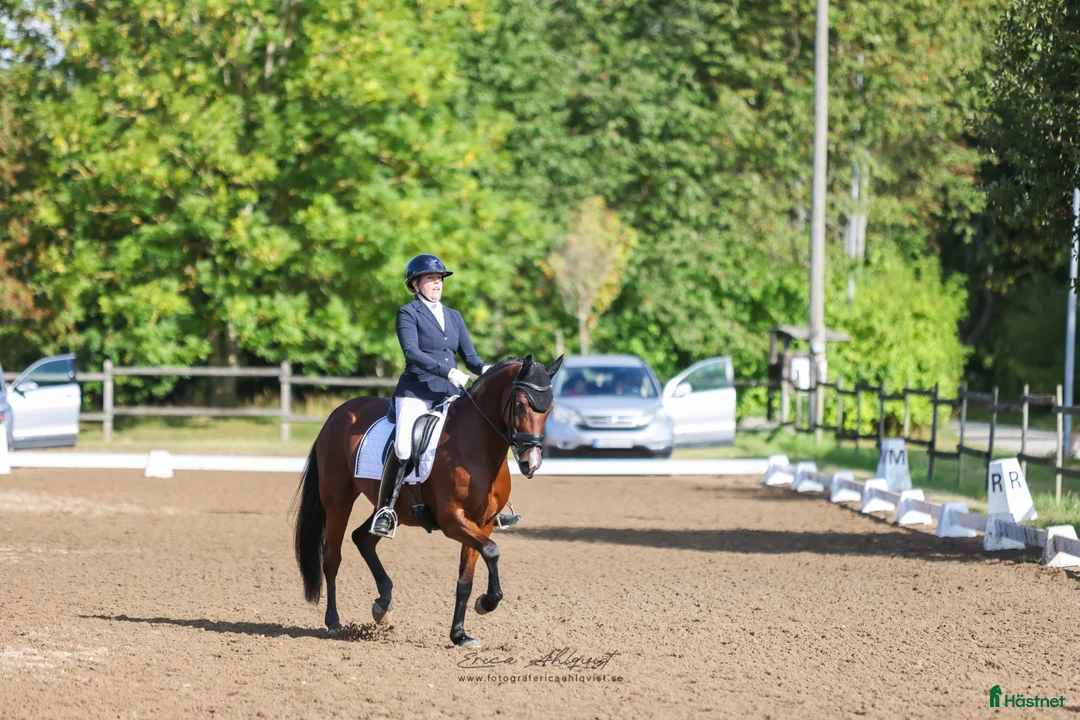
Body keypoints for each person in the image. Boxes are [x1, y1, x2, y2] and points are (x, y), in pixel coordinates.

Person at [371, 254, 517, 538]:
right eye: (430, 279)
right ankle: (386, 509)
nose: (436, 284)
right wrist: (448, 371)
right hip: (417, 392)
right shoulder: (407, 313)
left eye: (439, 279)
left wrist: (488, 371)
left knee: (480, 436)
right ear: (415, 284)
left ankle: (493, 505)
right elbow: (412, 353)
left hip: (449, 394)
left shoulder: (454, 316)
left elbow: (471, 357)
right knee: (403, 446)